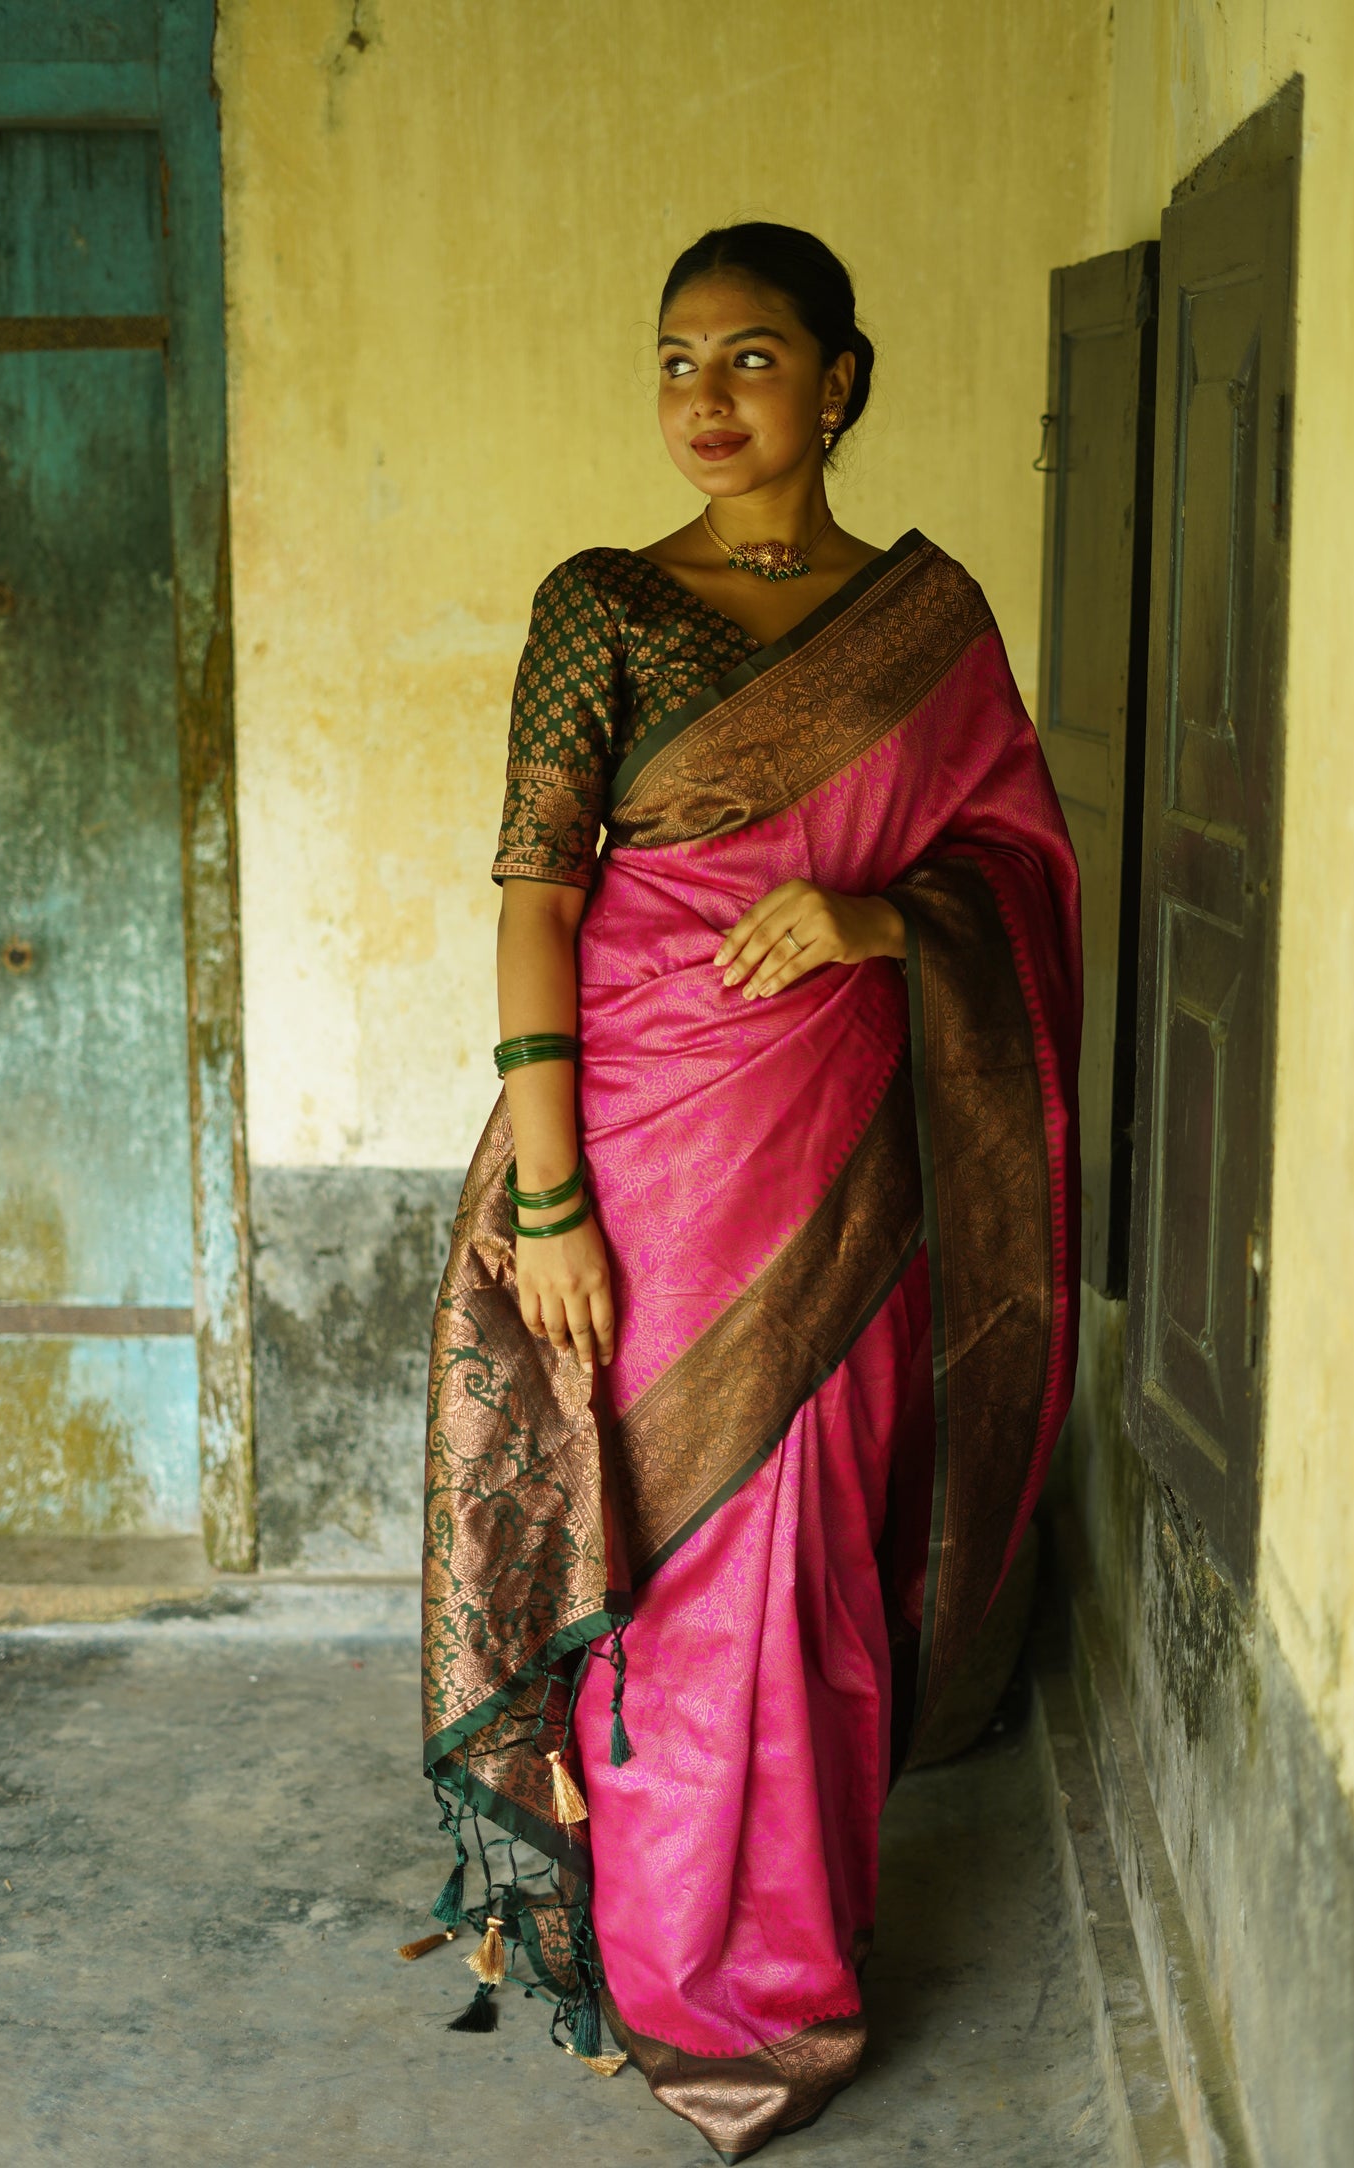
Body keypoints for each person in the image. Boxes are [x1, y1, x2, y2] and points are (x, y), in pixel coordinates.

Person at [415, 222, 1082, 2163]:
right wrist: (549, 1200)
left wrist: (885, 910)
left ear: (844, 382)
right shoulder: (603, 601)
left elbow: (1018, 871)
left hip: (842, 1168)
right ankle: (673, 1959)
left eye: (755, 359)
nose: (709, 400)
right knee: (675, 1561)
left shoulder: (932, 624)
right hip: (636, 1149)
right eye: (677, 362)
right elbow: (538, 893)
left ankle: (782, 1957)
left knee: (810, 1556)